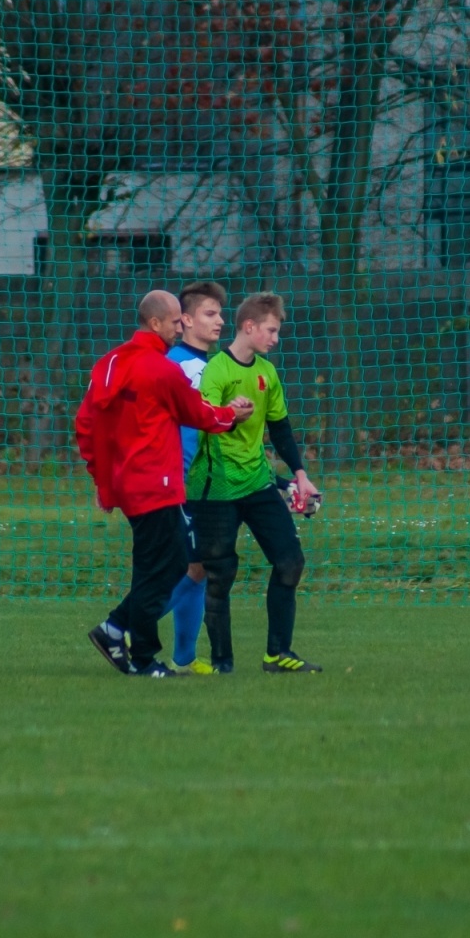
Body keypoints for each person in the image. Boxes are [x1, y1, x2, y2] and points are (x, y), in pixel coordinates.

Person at [75, 290, 253, 677]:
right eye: (175, 320)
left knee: (155, 566)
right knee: (171, 566)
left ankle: (121, 634)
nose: (179, 327)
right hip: (159, 484)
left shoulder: (108, 364)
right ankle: (137, 652)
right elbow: (198, 413)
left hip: (128, 485)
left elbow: (86, 425)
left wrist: (103, 479)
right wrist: (232, 415)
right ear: (155, 323)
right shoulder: (161, 370)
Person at [188, 292, 321, 673]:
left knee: (290, 562)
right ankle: (221, 664)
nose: (276, 338)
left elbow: (279, 427)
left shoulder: (266, 371)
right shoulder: (217, 369)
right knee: (220, 575)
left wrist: (300, 475)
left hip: (258, 483)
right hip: (216, 489)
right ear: (250, 327)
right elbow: (204, 416)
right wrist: (231, 414)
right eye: (271, 330)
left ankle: (278, 654)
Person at [161, 281, 228, 675]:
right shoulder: (185, 367)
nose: (220, 321)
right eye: (210, 313)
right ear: (184, 320)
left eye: (220, 313)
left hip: (203, 482)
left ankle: (184, 658)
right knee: (195, 565)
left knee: (199, 567)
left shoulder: (204, 366)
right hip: (184, 482)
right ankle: (122, 628)